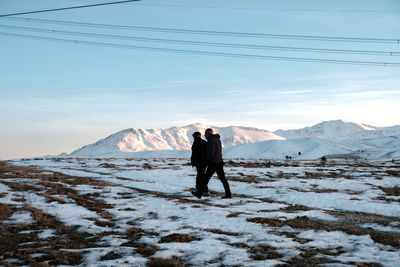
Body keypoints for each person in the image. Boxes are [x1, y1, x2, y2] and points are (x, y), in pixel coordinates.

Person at [192, 128, 232, 199]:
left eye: (205, 135)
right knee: (223, 179)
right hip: (219, 162)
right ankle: (228, 194)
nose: (205, 136)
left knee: (205, 179)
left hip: (213, 163)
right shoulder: (217, 139)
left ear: (208, 134)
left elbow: (211, 153)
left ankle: (199, 193)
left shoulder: (211, 140)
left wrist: (208, 160)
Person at [190, 131, 209, 196]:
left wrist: (193, 162)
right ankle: (198, 188)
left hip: (199, 162)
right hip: (205, 162)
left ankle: (205, 190)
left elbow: (194, 153)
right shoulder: (205, 142)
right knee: (200, 175)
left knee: (201, 176)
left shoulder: (196, 142)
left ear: (195, 136)